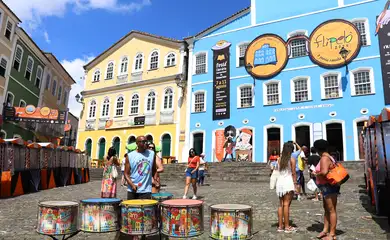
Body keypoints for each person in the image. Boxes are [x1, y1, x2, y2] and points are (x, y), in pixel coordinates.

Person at [313, 139, 340, 240]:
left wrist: (315, 174)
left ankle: (332, 234)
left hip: (329, 186)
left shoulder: (324, 158)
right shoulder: (328, 157)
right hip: (326, 186)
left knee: (331, 209)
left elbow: (324, 172)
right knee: (326, 209)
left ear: (317, 149)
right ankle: (325, 230)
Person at [276, 142, 298, 233]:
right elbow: (293, 173)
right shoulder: (292, 159)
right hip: (288, 182)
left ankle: (280, 226)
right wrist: (295, 184)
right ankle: (287, 226)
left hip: (280, 182)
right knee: (287, 204)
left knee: (281, 204)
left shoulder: (279, 159)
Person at [124, 136, 155, 200]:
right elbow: (126, 174)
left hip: (146, 190)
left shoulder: (152, 154)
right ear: (137, 143)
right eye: (143, 142)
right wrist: (132, 185)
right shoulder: (130, 156)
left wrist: (155, 180)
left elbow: (154, 169)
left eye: (146, 141)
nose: (146, 143)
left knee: (146, 209)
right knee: (132, 209)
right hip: (133, 190)